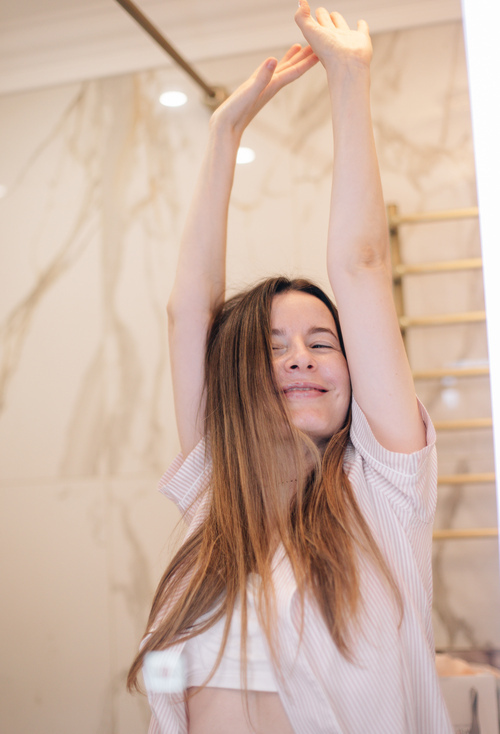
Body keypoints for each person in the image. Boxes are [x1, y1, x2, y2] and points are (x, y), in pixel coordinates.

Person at [128, 2, 454, 732]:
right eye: (273, 346)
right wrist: (223, 136)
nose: (300, 357)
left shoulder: (385, 492)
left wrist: (349, 79)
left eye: (322, 341)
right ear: (238, 380)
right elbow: (188, 313)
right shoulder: (215, 495)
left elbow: (361, 265)